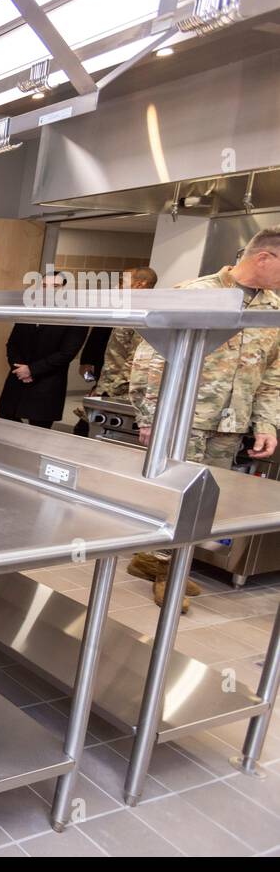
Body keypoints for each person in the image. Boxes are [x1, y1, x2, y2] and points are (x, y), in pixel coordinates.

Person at [127, 228, 280, 611]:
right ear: (264, 258)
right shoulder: (195, 293)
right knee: (178, 499)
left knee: (205, 504)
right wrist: (150, 417)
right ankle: (167, 573)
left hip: (230, 424)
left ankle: (164, 562)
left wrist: (265, 424)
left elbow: (272, 375)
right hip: (183, 420)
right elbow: (149, 360)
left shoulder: (273, 308)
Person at [0, 272, 87, 428]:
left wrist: (31, 370)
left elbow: (67, 353)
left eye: (55, 286)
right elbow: (12, 344)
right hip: (18, 378)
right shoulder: (29, 310)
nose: (48, 290)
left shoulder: (76, 316)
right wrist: (20, 369)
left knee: (38, 432)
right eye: (44, 286)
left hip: (47, 382)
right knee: (5, 423)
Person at [86, 267, 157, 398]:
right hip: (108, 384)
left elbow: (136, 358)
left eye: (121, 282)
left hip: (123, 390)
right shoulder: (127, 309)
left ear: (139, 285)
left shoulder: (143, 314)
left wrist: (112, 390)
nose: (117, 287)